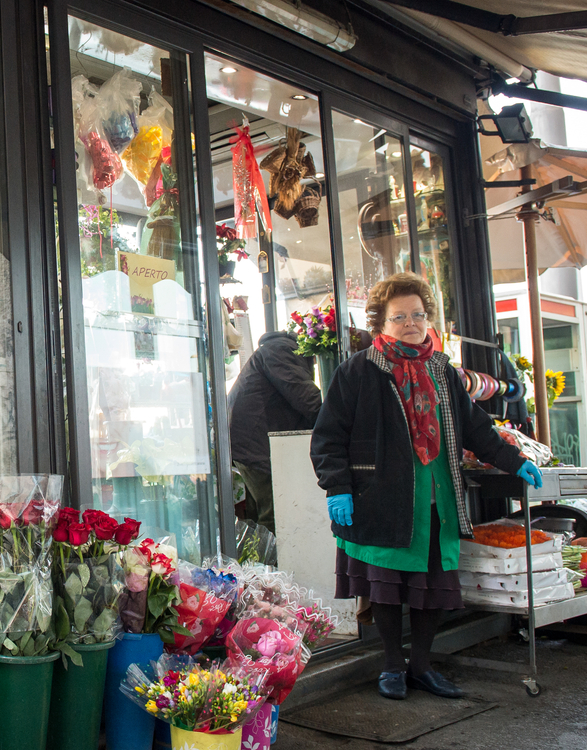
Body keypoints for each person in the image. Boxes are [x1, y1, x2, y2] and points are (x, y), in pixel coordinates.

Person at [310, 273, 542, 700]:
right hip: (380, 497)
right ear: (380, 321)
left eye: (418, 314)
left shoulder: (442, 371)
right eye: (400, 316)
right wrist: (336, 487)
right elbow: (327, 437)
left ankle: (421, 666)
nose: (411, 323)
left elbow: (478, 428)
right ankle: (391, 665)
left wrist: (514, 459)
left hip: (437, 499)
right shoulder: (357, 371)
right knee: (387, 586)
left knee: (431, 587)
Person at [228, 330, 323, 535]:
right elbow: (304, 396)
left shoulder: (276, 349)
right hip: (257, 445)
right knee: (276, 514)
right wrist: (338, 421)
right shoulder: (281, 350)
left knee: (261, 516)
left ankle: (259, 563)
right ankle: (272, 565)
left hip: (251, 443)